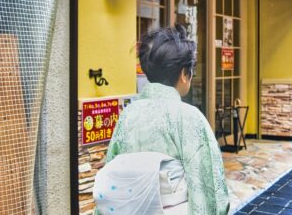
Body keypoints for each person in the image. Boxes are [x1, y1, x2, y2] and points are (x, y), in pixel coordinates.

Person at [94, 25, 229, 214]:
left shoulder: (127, 115)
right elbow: (209, 189)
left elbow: (112, 179)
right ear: (184, 74)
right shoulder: (190, 118)